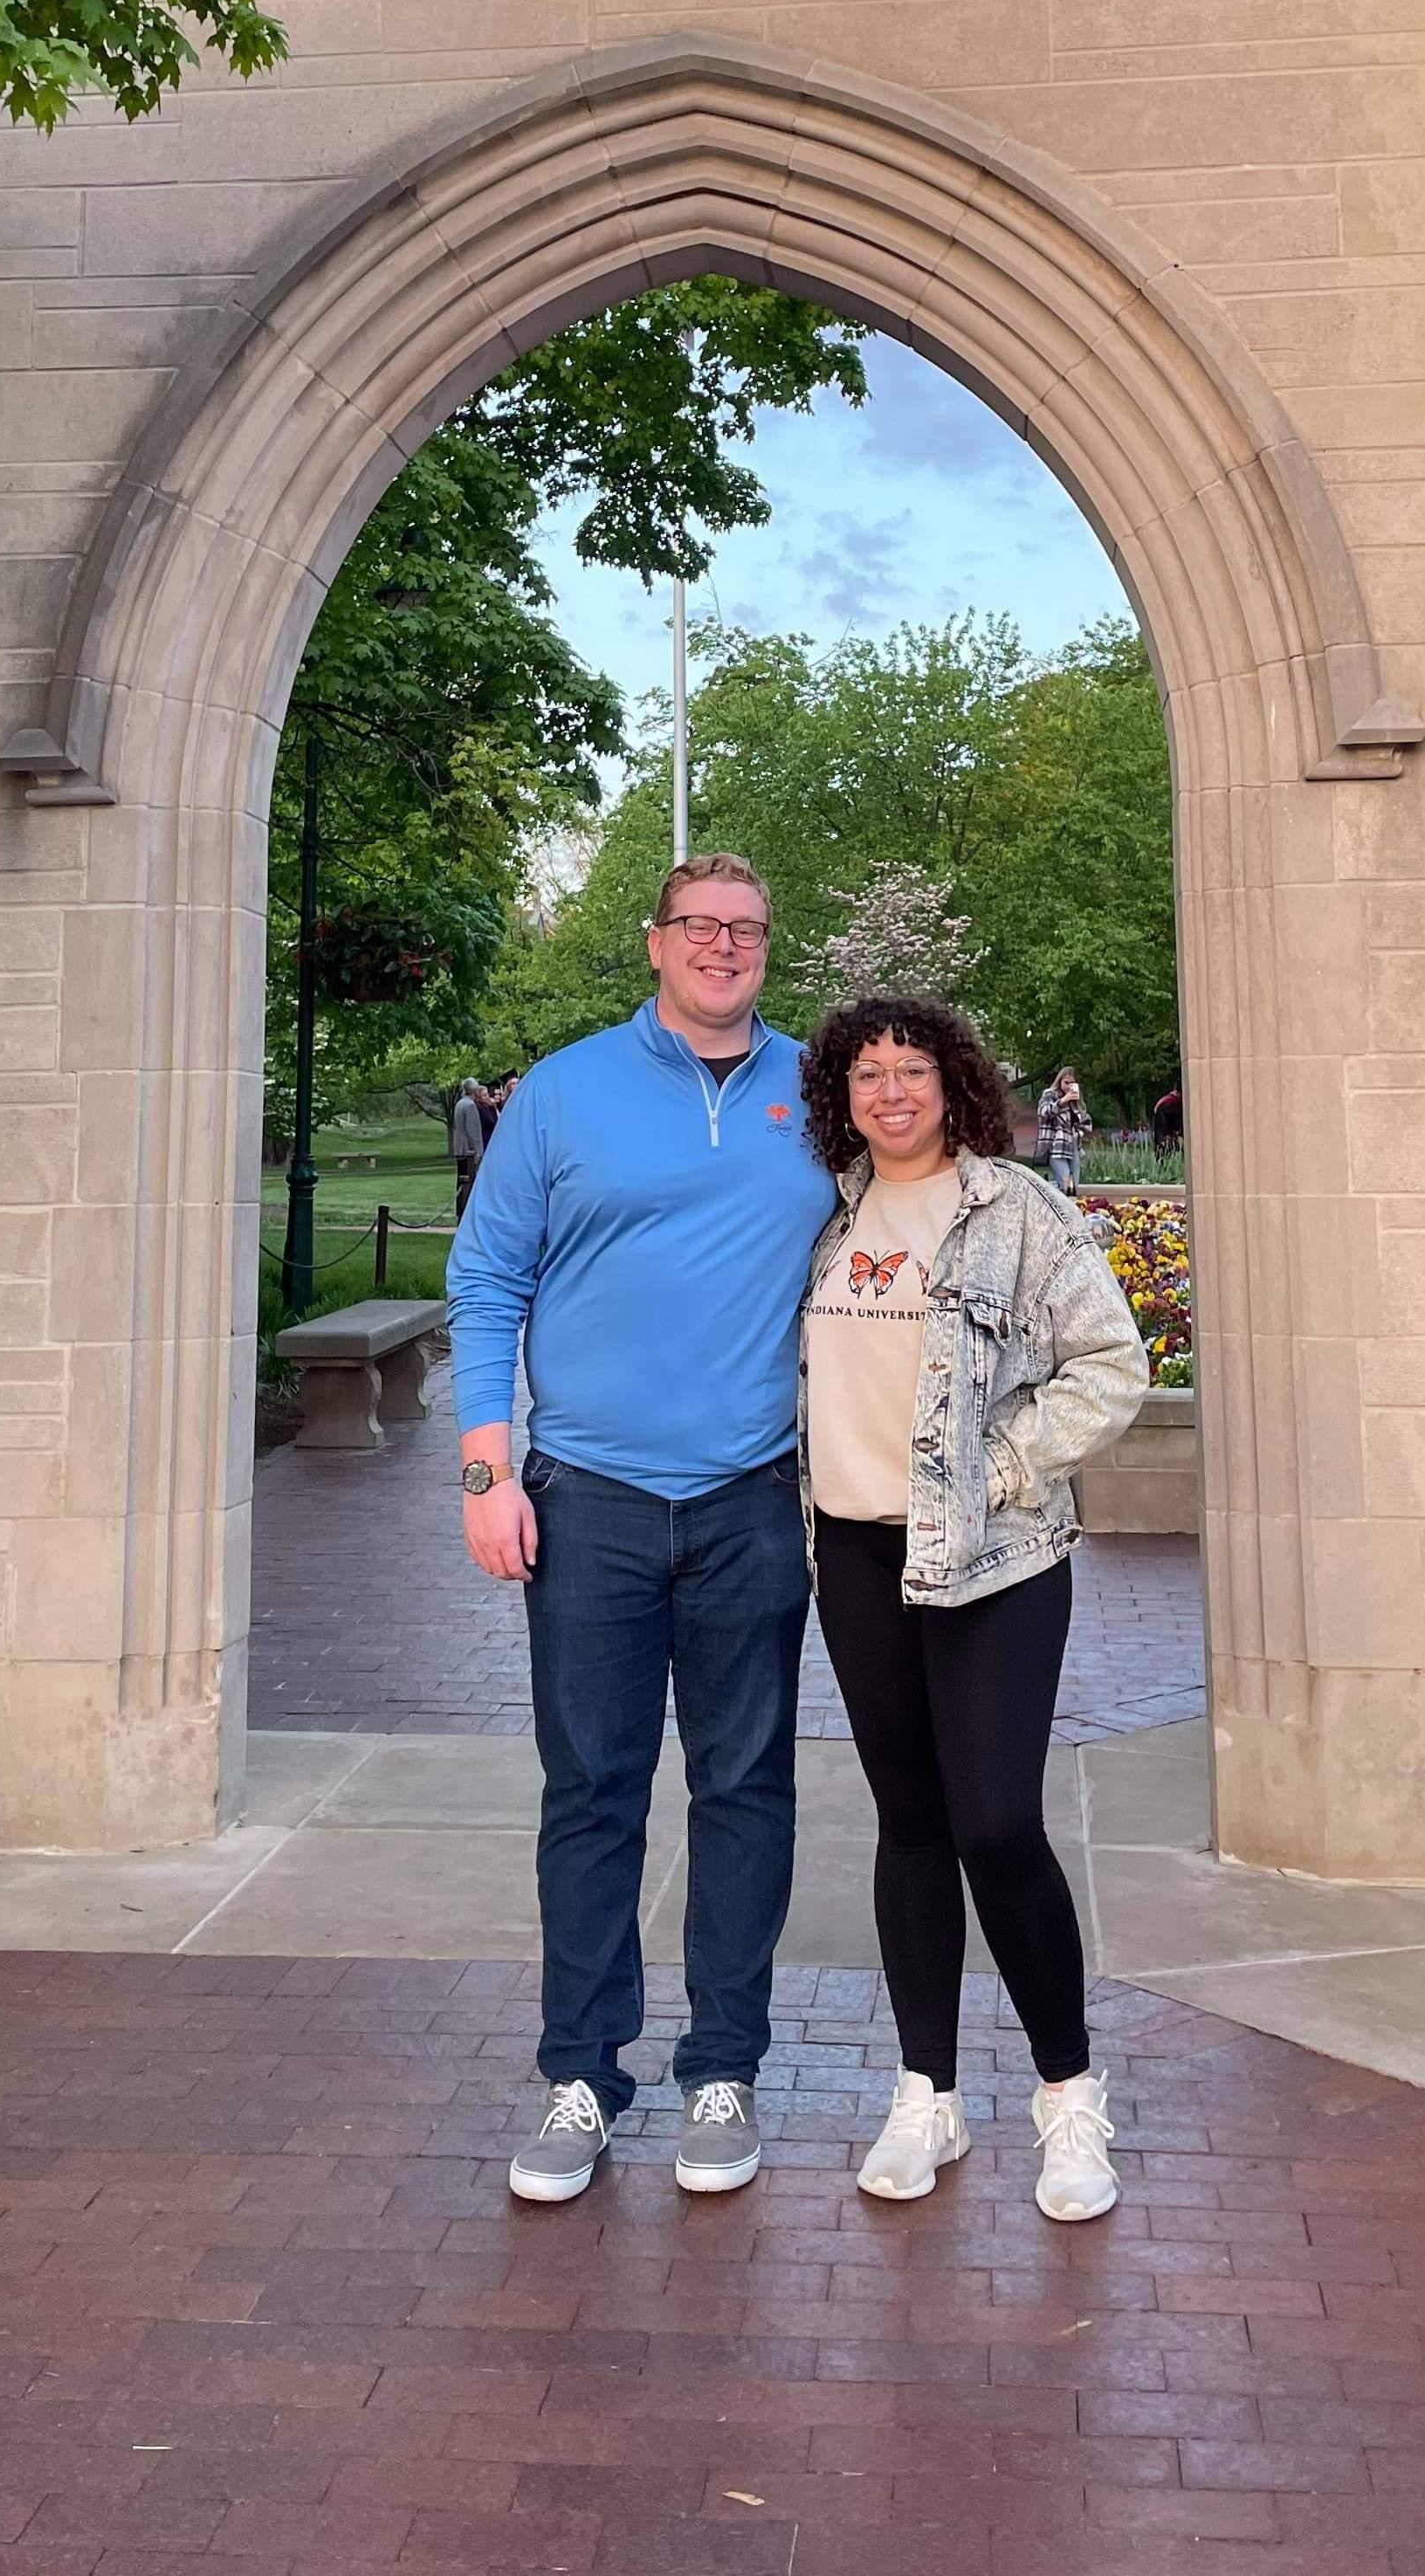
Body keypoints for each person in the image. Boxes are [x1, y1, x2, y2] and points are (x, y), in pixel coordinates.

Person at [447, 855, 838, 2205]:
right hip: (590, 1501)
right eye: (702, 927)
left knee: (745, 1791)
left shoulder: (820, 1090)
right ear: (656, 941)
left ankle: (723, 2065)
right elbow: (487, 1275)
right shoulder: (563, 1090)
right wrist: (487, 1473)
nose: (726, 947)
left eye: (749, 928)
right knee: (594, 1790)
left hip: (747, 1499)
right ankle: (580, 2075)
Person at [795, 993, 1149, 2222]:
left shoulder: (1022, 1214)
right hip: (853, 1554)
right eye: (867, 1075)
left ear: (956, 1084)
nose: (891, 1092)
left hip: (994, 1563)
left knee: (997, 1824)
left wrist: (999, 1468)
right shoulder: (829, 1224)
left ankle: (1067, 2097)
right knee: (908, 1823)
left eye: (913, 1071)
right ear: (841, 1096)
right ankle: (926, 2094)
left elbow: (1113, 1365)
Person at [1036, 1065, 1091, 1199]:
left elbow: (1086, 1121)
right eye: (1066, 1083)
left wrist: (1081, 1129)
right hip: (1056, 1147)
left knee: (1074, 1187)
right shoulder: (1050, 1094)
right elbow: (1043, 1113)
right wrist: (1062, 1101)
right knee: (1066, 1185)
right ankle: (1052, 1201)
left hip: (1074, 1146)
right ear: (1059, 1081)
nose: (1069, 1087)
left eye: (1072, 1083)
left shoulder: (1076, 1101)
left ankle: (1064, 1208)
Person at [448, 1078, 489, 1216]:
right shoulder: (470, 1105)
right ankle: (467, 1211)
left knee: (461, 1181)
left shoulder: (460, 1103)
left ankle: (461, 1210)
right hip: (468, 1151)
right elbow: (473, 1132)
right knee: (468, 1182)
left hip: (460, 1149)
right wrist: (478, 1152)